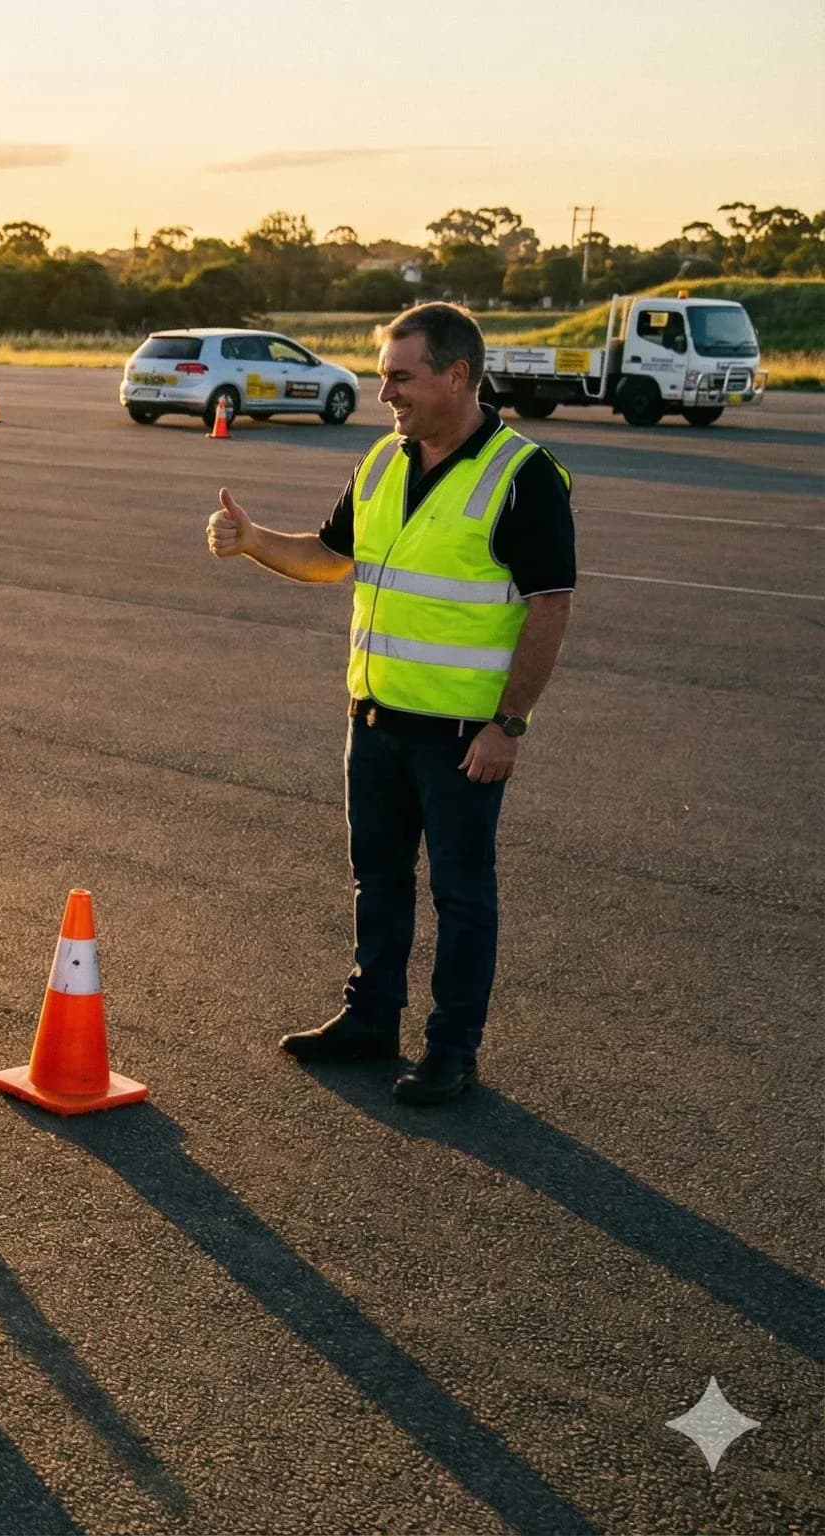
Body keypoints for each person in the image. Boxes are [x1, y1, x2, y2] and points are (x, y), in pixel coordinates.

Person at [204, 302, 576, 1105]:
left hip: (461, 736)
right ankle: (371, 1018)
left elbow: (550, 605)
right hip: (373, 722)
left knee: (461, 894)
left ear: (456, 376)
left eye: (401, 379)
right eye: (382, 379)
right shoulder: (381, 462)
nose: (386, 397)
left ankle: (453, 1050)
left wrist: (507, 725)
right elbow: (331, 558)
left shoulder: (523, 476)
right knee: (377, 878)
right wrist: (253, 540)